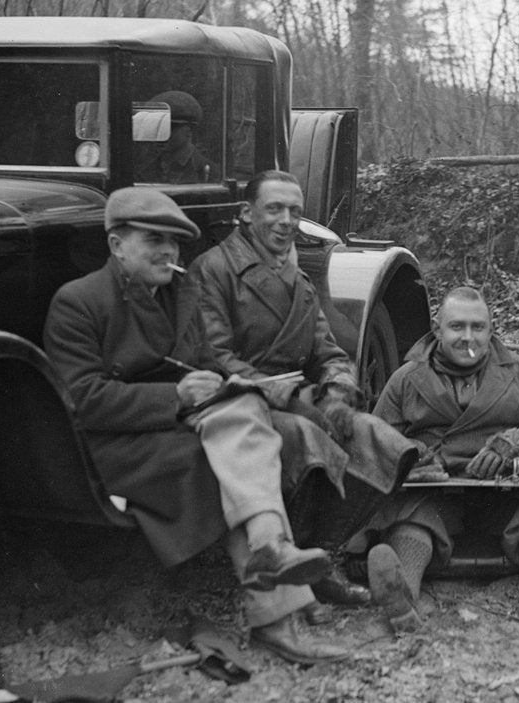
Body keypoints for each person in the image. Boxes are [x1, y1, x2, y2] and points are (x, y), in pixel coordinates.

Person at [44, 187, 349, 664]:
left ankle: (273, 551)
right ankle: (277, 609)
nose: (168, 251)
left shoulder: (181, 291)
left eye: (175, 241)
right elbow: (82, 402)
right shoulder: (79, 302)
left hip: (182, 424)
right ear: (116, 244)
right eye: (153, 239)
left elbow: (206, 362)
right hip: (114, 445)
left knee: (249, 412)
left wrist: (220, 382)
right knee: (226, 458)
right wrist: (178, 395)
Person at [188, 170, 418, 611]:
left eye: (295, 211)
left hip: (298, 398)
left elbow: (328, 350)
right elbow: (213, 356)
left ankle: (323, 556)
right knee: (306, 436)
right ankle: (288, 565)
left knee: (377, 437)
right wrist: (285, 394)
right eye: (273, 209)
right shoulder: (215, 270)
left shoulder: (299, 279)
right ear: (246, 213)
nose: (285, 221)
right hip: (240, 401)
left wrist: (336, 390)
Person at [350, 286, 519, 637]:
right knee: (411, 519)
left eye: (478, 327)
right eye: (457, 327)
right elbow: (375, 443)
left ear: (491, 330)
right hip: (435, 493)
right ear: (437, 329)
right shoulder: (406, 379)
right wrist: (410, 454)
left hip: (506, 492)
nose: (468, 337)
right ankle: (403, 602)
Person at [137, 90, 216, 184]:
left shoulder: (208, 171)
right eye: (155, 128)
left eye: (167, 128)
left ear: (189, 130)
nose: (159, 135)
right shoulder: (145, 170)